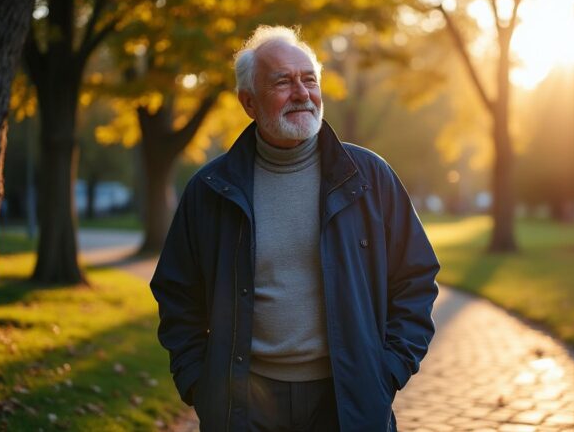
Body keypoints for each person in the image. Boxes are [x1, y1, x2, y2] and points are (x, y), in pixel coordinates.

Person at [150, 25, 440, 432]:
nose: (302, 93)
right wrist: (200, 385)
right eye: (283, 82)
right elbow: (177, 295)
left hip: (347, 400)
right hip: (244, 405)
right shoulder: (210, 190)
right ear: (248, 102)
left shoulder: (370, 177)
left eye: (309, 80)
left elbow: (416, 278)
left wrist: (387, 371)